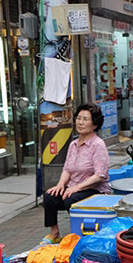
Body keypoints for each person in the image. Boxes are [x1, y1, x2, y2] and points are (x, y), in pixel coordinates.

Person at [43, 103, 112, 243]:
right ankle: (55, 233)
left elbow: (100, 175)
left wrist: (76, 188)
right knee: (50, 196)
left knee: (71, 200)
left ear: (95, 124)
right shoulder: (73, 144)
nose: (80, 123)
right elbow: (67, 169)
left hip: (94, 190)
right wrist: (60, 185)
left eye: (85, 119)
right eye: (79, 118)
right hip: (74, 188)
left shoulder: (98, 145)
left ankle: (79, 235)